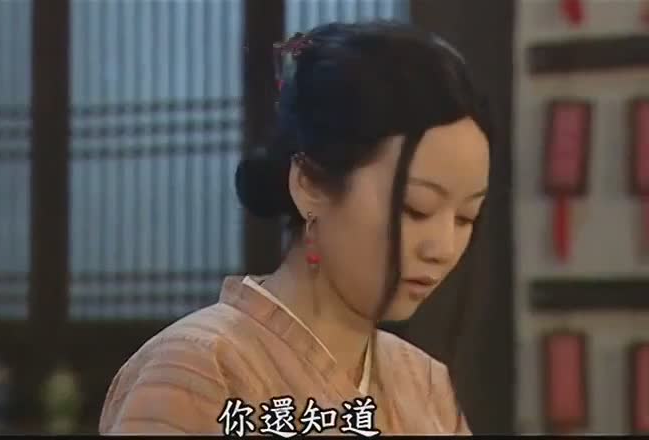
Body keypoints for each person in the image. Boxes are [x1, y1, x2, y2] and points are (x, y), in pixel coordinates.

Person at [99, 20, 491, 435]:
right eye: (416, 208)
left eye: (465, 217)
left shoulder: (425, 383)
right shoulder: (195, 370)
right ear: (309, 184)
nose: (443, 247)